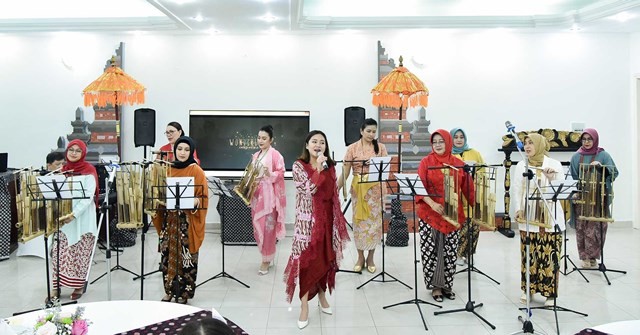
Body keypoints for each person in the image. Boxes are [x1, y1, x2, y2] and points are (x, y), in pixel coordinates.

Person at [283, 130, 350, 329]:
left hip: (326, 221)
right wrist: (319, 170)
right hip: (307, 224)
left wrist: (334, 172)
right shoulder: (298, 166)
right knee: (305, 264)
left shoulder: (329, 166)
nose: (318, 145)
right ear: (307, 145)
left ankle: (322, 296)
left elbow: (331, 192)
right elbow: (308, 190)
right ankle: (304, 306)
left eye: (322, 142)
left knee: (324, 261)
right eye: (314, 141)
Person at [415, 129, 474, 302]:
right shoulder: (426, 162)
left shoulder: (458, 163)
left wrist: (476, 207)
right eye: (435, 142)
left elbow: (468, 188)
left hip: (452, 214)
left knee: (449, 251)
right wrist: (433, 204)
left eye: (441, 141)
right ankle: (436, 287)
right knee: (432, 251)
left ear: (447, 142)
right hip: (430, 214)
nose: (438, 144)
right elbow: (420, 187)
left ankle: (447, 285)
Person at [152, 136, 209, 304]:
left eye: (186, 149)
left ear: (191, 151)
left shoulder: (195, 170)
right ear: (174, 150)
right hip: (169, 221)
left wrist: (195, 201)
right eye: (179, 149)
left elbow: (203, 197)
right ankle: (169, 290)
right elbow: (160, 194)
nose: (182, 153)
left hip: (187, 222)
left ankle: (184, 294)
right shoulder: (168, 169)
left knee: (187, 259)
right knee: (167, 257)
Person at [512, 133, 565, 307]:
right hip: (529, 216)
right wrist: (518, 208)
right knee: (529, 255)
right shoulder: (521, 164)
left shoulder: (554, 164)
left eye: (531, 143)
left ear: (540, 145)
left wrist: (552, 178)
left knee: (550, 256)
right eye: (526, 143)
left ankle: (550, 294)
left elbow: (562, 189)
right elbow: (517, 189)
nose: (527, 146)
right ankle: (528, 289)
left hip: (550, 216)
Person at [50, 139, 98, 301]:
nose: (74, 153)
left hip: (82, 218)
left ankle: (79, 285)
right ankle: (56, 287)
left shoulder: (89, 170)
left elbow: (88, 197)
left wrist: (73, 214)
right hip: (63, 220)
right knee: (59, 253)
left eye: (78, 151)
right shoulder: (61, 171)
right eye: (71, 150)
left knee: (80, 254)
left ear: (83, 153)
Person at [338, 118, 387, 273]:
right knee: (359, 224)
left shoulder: (380, 148)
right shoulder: (352, 148)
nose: (371, 134)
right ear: (361, 131)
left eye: (374, 131)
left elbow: (385, 171)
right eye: (368, 131)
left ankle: (371, 257)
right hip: (359, 190)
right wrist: (336, 189)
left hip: (375, 191)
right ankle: (360, 257)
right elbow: (345, 172)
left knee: (374, 226)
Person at [570, 128, 618, 269]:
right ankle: (584, 256)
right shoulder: (576, 157)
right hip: (582, 198)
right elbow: (573, 178)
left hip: (599, 198)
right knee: (582, 227)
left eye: (589, 139)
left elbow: (614, 173)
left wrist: (601, 167)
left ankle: (594, 256)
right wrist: (575, 192)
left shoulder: (603, 155)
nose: (586, 142)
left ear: (595, 139)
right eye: (584, 139)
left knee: (597, 228)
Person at [249, 125, 286, 275]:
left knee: (268, 229)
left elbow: (281, 173)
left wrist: (269, 173)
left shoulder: (276, 155)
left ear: (271, 140)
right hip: (257, 196)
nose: (260, 140)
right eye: (259, 138)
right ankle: (266, 256)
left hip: (270, 197)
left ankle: (265, 261)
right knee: (259, 228)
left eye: (264, 138)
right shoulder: (256, 156)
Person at [450, 128, 485, 266]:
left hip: (473, 195)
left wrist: (476, 177)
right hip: (457, 196)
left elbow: (483, 171)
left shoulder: (475, 153)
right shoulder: (449, 155)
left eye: (461, 137)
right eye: (456, 137)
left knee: (474, 227)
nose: (459, 139)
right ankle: (458, 254)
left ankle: (470, 254)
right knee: (460, 227)